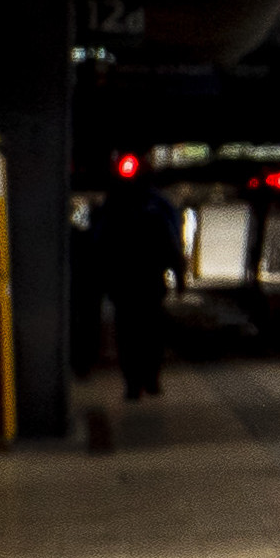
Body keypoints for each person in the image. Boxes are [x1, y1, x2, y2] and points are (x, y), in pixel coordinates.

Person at [84, 172, 175, 405]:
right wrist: (179, 276)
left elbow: (99, 250)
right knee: (152, 334)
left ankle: (133, 385)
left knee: (128, 335)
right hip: (150, 285)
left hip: (123, 288)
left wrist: (100, 283)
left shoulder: (112, 214)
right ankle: (151, 378)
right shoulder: (156, 214)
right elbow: (171, 247)